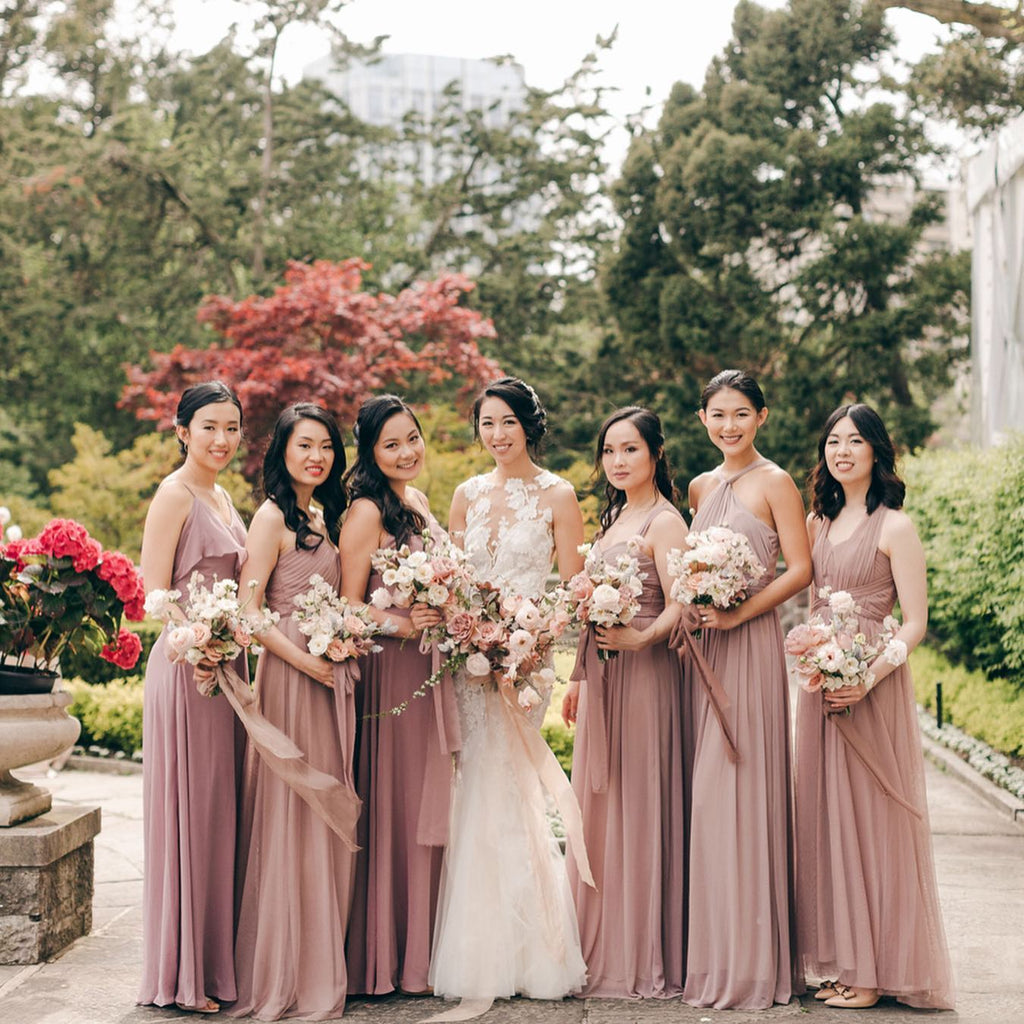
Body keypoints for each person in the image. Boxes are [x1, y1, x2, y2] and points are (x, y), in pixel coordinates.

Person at [428, 377, 588, 1014]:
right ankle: (479, 948)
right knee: (474, 789)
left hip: (525, 660)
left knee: (513, 786)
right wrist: (469, 633)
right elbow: (450, 583)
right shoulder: (465, 495)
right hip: (467, 663)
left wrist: (528, 643)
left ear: (530, 424)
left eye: (507, 423)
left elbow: (573, 589)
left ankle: (535, 950)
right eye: (486, 424)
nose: (496, 435)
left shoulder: (559, 494)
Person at [794, 404, 955, 1010]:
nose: (842, 451)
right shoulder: (815, 521)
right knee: (827, 820)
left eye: (854, 441)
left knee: (872, 820)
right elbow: (809, 602)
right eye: (833, 441)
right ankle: (844, 961)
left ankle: (876, 971)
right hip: (820, 686)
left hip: (872, 684)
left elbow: (914, 623)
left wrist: (868, 673)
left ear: (876, 451)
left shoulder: (896, 526)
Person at [683, 369, 811, 1009]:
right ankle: (714, 957)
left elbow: (802, 567)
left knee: (742, 790)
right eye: (717, 415)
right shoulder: (701, 485)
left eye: (740, 414)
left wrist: (741, 610)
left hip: (750, 645)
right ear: (702, 419)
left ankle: (757, 966)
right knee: (707, 801)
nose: (728, 425)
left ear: (762, 415)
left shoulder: (776, 482)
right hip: (705, 648)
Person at [230, 402, 360, 1021]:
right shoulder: (271, 517)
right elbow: (249, 615)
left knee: (327, 810)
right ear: (282, 451)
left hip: (329, 674)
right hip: (290, 676)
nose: (317, 456)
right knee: (294, 807)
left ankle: (321, 956)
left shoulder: (326, 515)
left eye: (327, 447)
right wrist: (308, 663)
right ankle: (288, 970)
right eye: (304, 445)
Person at [561, 406, 690, 998]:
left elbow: (681, 604)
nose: (618, 461)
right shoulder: (614, 518)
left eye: (631, 450)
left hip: (645, 676)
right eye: (610, 451)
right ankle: (599, 935)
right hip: (604, 677)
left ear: (656, 454)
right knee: (601, 803)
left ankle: (638, 949)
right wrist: (578, 679)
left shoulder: (664, 522)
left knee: (638, 800)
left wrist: (639, 637)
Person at [340, 395, 461, 996]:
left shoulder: (415, 502)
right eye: (391, 444)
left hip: (429, 670)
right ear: (369, 451)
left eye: (411, 437)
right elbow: (347, 604)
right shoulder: (365, 511)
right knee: (397, 804)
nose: (407, 451)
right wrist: (405, 624)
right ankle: (384, 958)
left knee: (426, 808)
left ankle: (423, 953)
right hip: (390, 676)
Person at [137, 381, 247, 1015]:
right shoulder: (173, 495)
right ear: (182, 429)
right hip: (186, 669)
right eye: (209, 426)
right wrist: (196, 639)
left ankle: (217, 964)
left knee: (218, 810)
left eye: (231, 427)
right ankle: (183, 976)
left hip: (225, 666)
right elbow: (155, 595)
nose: (221, 440)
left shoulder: (223, 494)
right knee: (192, 809)